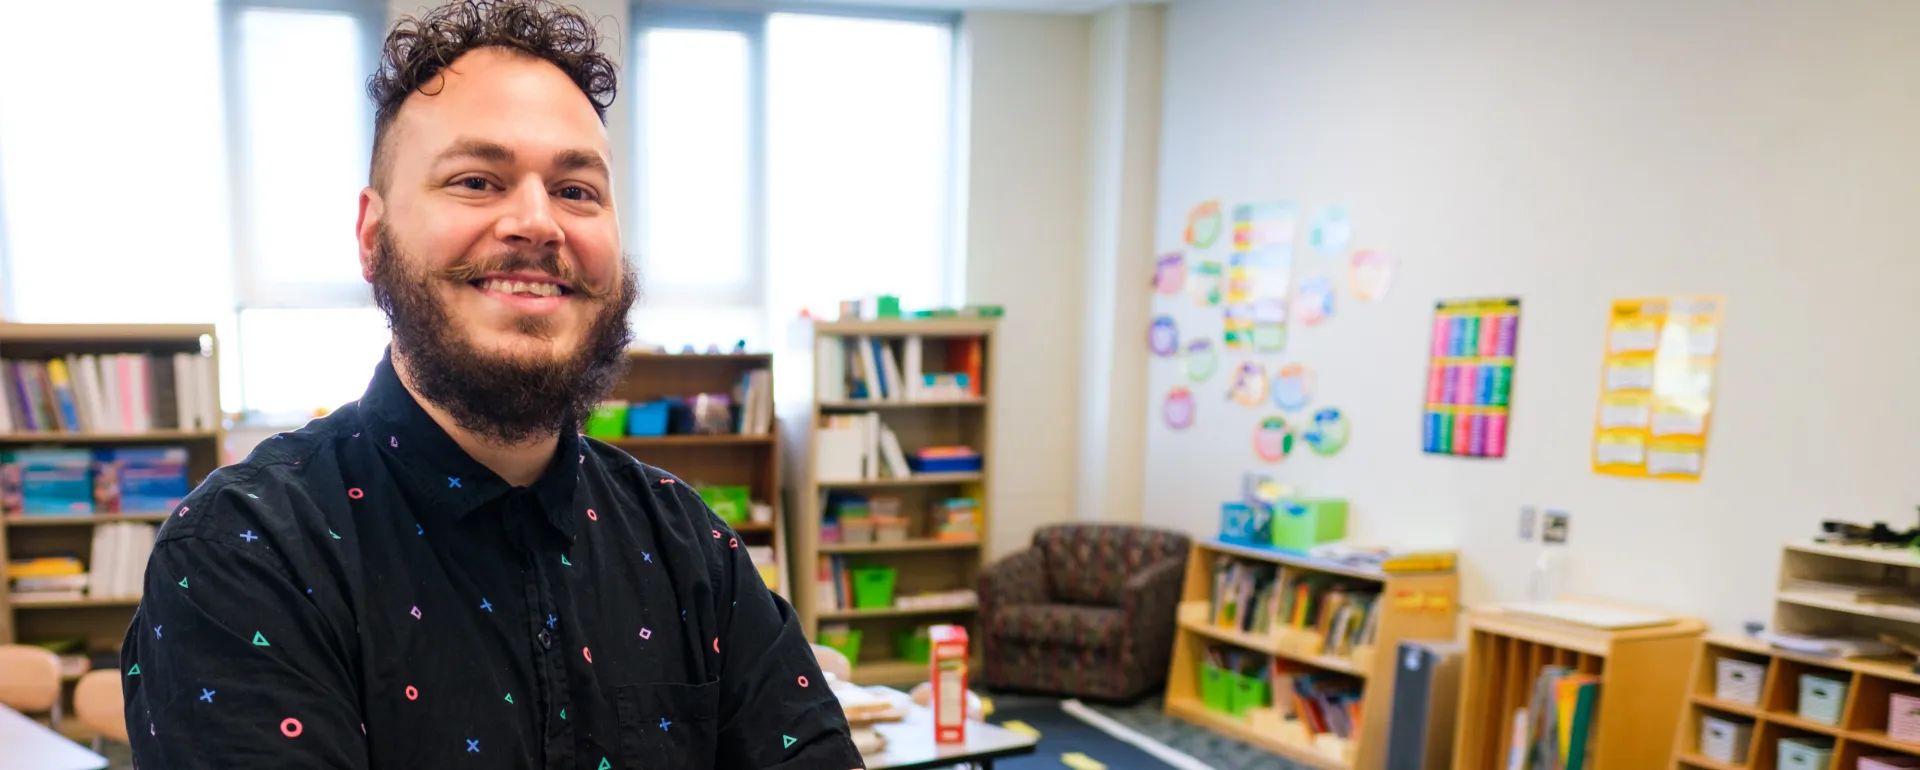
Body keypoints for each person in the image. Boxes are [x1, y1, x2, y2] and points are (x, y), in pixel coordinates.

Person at [120, 2, 862, 767]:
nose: (538, 223)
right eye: (477, 180)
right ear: (373, 239)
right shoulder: (246, 554)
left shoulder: (692, 548)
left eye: (578, 190)